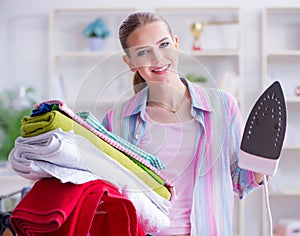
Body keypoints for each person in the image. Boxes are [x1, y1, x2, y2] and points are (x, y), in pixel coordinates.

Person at [101, 11, 264, 236]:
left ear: (176, 44)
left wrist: (262, 160)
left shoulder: (223, 106)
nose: (158, 58)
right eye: (143, 52)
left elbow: (241, 182)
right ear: (130, 62)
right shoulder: (116, 120)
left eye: (164, 44)